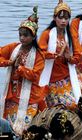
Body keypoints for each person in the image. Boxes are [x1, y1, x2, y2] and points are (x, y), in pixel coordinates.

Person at [0, 6, 47, 135]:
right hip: (12, 96)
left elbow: (35, 76)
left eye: (25, 35)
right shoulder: (14, 48)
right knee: (9, 130)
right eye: (20, 35)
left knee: (23, 131)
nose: (22, 38)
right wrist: (8, 62)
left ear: (33, 36)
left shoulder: (39, 55)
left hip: (30, 98)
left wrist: (19, 68)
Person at [38, 0, 81, 109]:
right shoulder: (47, 34)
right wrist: (54, 55)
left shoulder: (71, 37)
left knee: (73, 106)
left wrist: (69, 58)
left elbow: (77, 57)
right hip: (49, 80)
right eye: (60, 18)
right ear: (54, 18)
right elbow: (39, 53)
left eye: (66, 18)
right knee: (52, 110)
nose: (63, 21)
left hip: (65, 78)